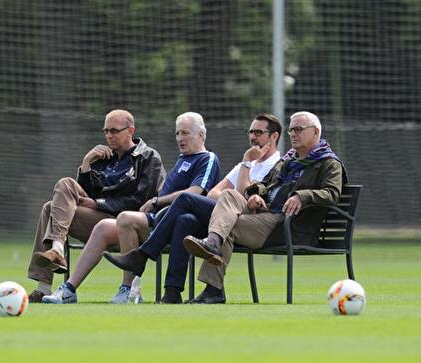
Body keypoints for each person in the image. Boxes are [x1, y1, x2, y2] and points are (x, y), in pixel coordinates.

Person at [102, 113, 282, 304]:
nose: (253, 137)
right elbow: (214, 194)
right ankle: (172, 292)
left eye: (259, 132)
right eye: (251, 132)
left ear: (274, 137)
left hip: (248, 221)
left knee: (187, 198)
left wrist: (245, 167)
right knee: (185, 219)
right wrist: (230, 198)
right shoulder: (243, 165)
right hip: (222, 216)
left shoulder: (277, 165)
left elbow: (243, 197)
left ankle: (143, 255)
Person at [42, 111, 220, 304]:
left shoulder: (206, 158)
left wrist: (155, 201)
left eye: (185, 133)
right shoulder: (181, 160)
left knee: (126, 217)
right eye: (177, 133)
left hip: (169, 222)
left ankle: (129, 287)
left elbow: (193, 193)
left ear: (201, 135)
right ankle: (68, 288)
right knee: (63, 211)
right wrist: (86, 164)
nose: (179, 138)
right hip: (153, 218)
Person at [182, 111, 346, 304]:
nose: (293, 133)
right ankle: (213, 243)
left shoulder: (329, 163)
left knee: (227, 225)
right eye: (291, 129)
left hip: (288, 224)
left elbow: (332, 193)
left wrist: (302, 196)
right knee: (229, 195)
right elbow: (267, 185)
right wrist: (255, 196)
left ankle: (213, 289)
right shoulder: (288, 160)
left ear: (316, 132)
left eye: (299, 129)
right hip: (265, 213)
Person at [27, 109, 163, 303]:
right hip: (98, 219)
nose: (109, 135)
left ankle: (56, 256)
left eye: (114, 130)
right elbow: (76, 198)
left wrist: (99, 204)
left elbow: (142, 200)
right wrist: (86, 164)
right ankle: (46, 279)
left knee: (54, 205)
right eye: (106, 131)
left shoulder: (148, 157)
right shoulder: (102, 157)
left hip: (128, 224)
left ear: (130, 130)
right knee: (52, 205)